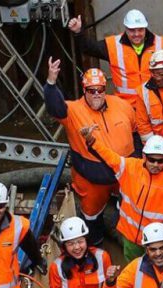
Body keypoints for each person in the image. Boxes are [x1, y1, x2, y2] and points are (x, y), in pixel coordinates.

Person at [45, 57, 138, 245]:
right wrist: (51, 83)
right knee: (92, 215)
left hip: (124, 174)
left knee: (131, 209)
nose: (96, 94)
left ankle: (129, 241)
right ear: (84, 90)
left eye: (100, 90)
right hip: (92, 180)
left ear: (105, 89)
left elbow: (136, 133)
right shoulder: (73, 110)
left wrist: (138, 162)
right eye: (91, 90)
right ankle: (96, 244)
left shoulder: (122, 105)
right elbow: (55, 107)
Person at [82, 127, 163, 261]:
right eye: (152, 159)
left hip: (156, 241)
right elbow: (109, 156)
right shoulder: (130, 168)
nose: (156, 164)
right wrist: (92, 141)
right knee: (133, 270)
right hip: (131, 238)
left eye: (161, 161)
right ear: (144, 156)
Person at [67, 10, 163, 107]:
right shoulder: (112, 45)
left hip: (155, 104)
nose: (136, 34)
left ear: (145, 28)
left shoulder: (162, 44)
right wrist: (78, 32)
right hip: (125, 106)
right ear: (125, 29)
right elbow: (88, 48)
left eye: (140, 30)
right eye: (132, 30)